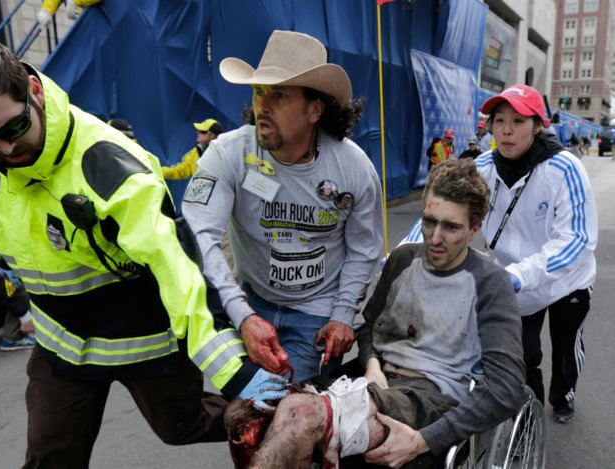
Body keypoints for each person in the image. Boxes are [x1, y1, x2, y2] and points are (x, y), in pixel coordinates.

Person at [0, 34, 288, 468]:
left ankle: (282, 419)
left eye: (13, 129)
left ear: (34, 91)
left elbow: (178, 269)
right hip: (62, 342)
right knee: (50, 456)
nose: (3, 150)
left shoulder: (107, 166)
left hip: (143, 339)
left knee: (181, 427)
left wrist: (235, 373)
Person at [232, 159, 525, 469]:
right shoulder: (403, 260)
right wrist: (372, 365)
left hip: (430, 395)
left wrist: (423, 441)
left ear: (474, 228)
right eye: (429, 221)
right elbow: (370, 326)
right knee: (243, 415)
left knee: (300, 414)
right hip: (374, 377)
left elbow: (506, 387)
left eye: (451, 227)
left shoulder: (490, 283)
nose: (435, 238)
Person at [181, 30, 384, 385]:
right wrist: (242, 315)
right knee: (247, 415)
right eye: (259, 92)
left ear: (314, 110)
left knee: (289, 417)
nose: (264, 106)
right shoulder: (228, 154)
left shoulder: (354, 169)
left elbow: (364, 249)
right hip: (248, 301)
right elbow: (199, 237)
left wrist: (340, 316)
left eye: (279, 95)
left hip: (317, 314)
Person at [477, 84, 597, 423]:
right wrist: (404, 254)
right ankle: (528, 418)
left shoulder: (565, 168)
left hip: (566, 279)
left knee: (565, 348)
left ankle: (564, 395)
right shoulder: (480, 167)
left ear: (538, 125)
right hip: (516, 281)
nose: (507, 130)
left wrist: (520, 273)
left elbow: (577, 240)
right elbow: (439, 206)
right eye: (499, 120)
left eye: (518, 120)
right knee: (523, 355)